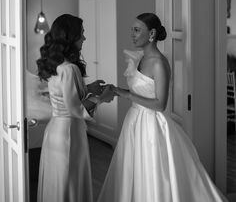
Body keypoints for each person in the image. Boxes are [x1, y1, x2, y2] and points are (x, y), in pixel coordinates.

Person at [97, 12, 227, 202]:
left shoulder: (159, 63)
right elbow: (142, 91)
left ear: (152, 34)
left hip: (150, 126)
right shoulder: (141, 59)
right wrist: (116, 90)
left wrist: (125, 94)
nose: (132, 34)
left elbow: (160, 104)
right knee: (132, 172)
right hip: (133, 122)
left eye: (136, 30)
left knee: (152, 173)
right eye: (132, 30)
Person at [36, 14, 114, 202]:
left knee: (57, 185)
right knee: (69, 183)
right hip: (69, 134)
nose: (84, 38)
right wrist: (100, 98)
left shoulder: (55, 64)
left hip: (54, 131)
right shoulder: (70, 69)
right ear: (71, 38)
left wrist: (88, 88)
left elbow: (61, 95)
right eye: (82, 34)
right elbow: (74, 109)